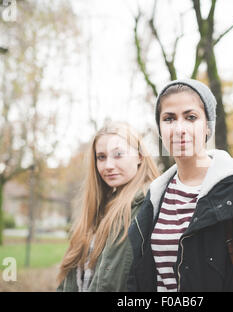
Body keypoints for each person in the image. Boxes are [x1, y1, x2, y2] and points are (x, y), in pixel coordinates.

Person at [127, 79, 233, 292]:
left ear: (207, 127)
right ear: (161, 129)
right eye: (169, 119)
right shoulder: (153, 199)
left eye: (191, 117)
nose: (179, 128)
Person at [57, 122, 159, 292]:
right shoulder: (100, 208)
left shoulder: (149, 205)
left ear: (140, 156)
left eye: (118, 154)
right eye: (101, 157)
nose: (108, 166)